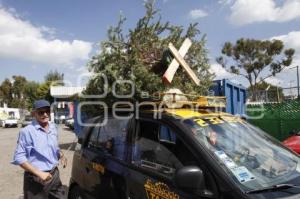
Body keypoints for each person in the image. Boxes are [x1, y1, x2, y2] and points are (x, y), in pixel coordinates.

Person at [12, 99, 67, 199]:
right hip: (36, 179)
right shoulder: (27, 132)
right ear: (34, 113)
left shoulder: (53, 127)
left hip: (54, 175)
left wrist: (60, 154)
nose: (45, 114)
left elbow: (54, 146)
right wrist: (39, 173)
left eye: (47, 111)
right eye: (41, 112)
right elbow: (19, 157)